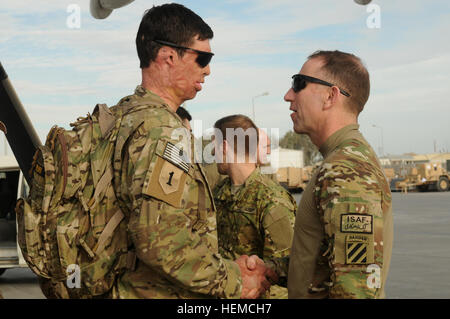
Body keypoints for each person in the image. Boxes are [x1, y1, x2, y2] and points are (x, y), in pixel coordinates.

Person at [111, 4, 275, 299]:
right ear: (168, 57)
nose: (208, 69)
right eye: (202, 58)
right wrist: (235, 281)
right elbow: (160, 240)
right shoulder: (164, 131)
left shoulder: (120, 118)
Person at [284, 50, 393, 299]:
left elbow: (356, 290)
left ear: (330, 96)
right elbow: (326, 260)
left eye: (298, 84)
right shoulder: (341, 160)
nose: (288, 96)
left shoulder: (346, 169)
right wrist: (270, 270)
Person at [213, 115, 297, 298]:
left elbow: (289, 267)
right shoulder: (219, 192)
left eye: (215, 146)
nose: (213, 153)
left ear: (225, 147)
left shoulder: (272, 199)